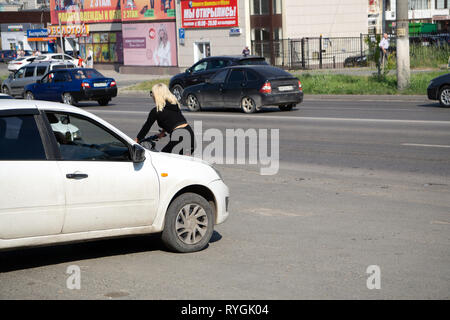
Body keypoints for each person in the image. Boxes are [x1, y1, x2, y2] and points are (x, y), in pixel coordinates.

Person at [135, 83, 195, 155]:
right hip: (189, 133)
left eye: (152, 94)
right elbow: (172, 120)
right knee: (181, 162)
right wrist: (162, 133)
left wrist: (137, 139)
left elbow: (146, 127)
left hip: (179, 137)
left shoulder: (156, 111)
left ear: (157, 95)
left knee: (163, 158)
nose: (152, 96)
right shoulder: (174, 104)